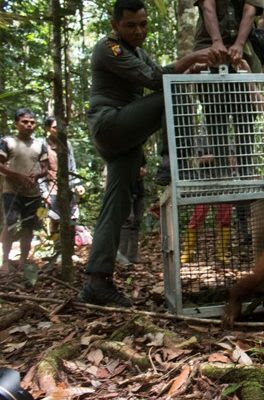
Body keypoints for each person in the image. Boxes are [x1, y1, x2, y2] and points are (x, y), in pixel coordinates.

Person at [79, 0, 215, 307]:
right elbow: (158, 80)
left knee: (115, 206)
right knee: (172, 89)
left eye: (143, 24)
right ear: (116, 25)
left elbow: (157, 72)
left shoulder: (138, 53)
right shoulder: (108, 48)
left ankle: (97, 281)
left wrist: (189, 68)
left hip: (125, 142)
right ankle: (171, 162)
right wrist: (192, 56)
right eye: (130, 25)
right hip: (109, 124)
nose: (139, 31)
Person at [0, 108, 48, 273]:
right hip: (11, 190)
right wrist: (16, 176)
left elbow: (45, 168)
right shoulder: (7, 142)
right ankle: (5, 261)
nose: (29, 125)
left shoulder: (40, 144)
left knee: (28, 226)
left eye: (32, 122)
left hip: (33, 192)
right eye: (25, 122)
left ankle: (22, 261)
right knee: (10, 224)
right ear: (17, 123)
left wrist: (38, 175)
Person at [40, 116, 85, 239]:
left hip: (68, 187)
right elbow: (41, 170)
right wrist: (44, 192)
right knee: (55, 219)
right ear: (48, 128)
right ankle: (57, 250)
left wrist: (77, 185)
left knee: (72, 218)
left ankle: (69, 250)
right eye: (55, 127)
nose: (58, 130)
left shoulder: (67, 144)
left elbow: (72, 167)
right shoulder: (42, 144)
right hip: (51, 188)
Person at [193, 0, 264, 73]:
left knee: (250, 77)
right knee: (202, 74)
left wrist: (239, 44)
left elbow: (250, 11)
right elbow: (207, 6)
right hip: (208, 42)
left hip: (244, 44)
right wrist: (217, 41)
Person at [117, 160, 146, 264]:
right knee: (127, 221)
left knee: (136, 222)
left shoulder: (140, 153)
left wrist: (142, 171)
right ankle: (121, 256)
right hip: (125, 190)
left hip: (139, 190)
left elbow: (144, 168)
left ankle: (132, 256)